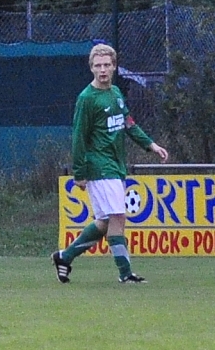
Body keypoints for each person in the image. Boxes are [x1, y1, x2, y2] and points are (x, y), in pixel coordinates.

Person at [51, 43, 169, 284]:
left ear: (114, 66)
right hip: (99, 166)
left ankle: (65, 256)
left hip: (115, 165)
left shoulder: (115, 93)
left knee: (105, 222)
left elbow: (128, 123)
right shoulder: (87, 99)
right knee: (118, 217)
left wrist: (151, 145)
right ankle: (125, 274)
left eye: (106, 65)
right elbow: (79, 136)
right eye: (98, 66)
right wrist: (79, 172)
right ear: (91, 68)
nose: (102, 70)